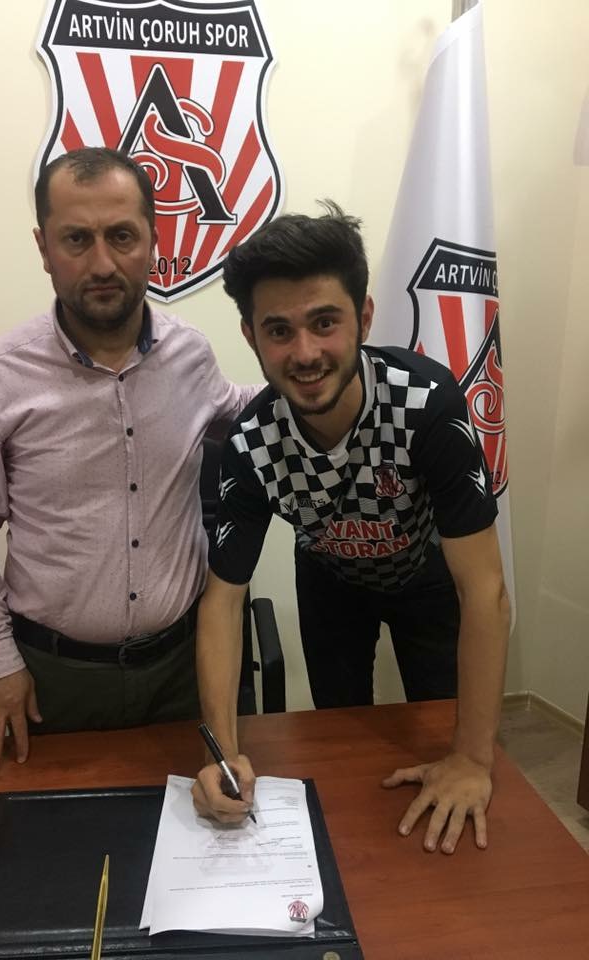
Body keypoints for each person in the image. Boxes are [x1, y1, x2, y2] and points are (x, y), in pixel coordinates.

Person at [192, 203, 510, 855]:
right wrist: (221, 755)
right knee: (343, 746)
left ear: (363, 318)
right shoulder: (249, 443)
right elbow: (222, 602)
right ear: (251, 336)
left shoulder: (428, 404)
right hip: (330, 583)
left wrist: (474, 759)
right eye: (279, 330)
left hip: (428, 580)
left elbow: (485, 591)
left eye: (325, 322)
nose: (305, 353)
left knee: (447, 743)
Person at [0, 147, 256, 776]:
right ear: (44, 247)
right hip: (53, 681)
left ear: (153, 241)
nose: (102, 263)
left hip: (183, 669)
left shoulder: (190, 355)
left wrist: (326, 375)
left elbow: (235, 406)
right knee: (51, 836)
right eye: (77, 239)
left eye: (122, 236)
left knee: (194, 827)